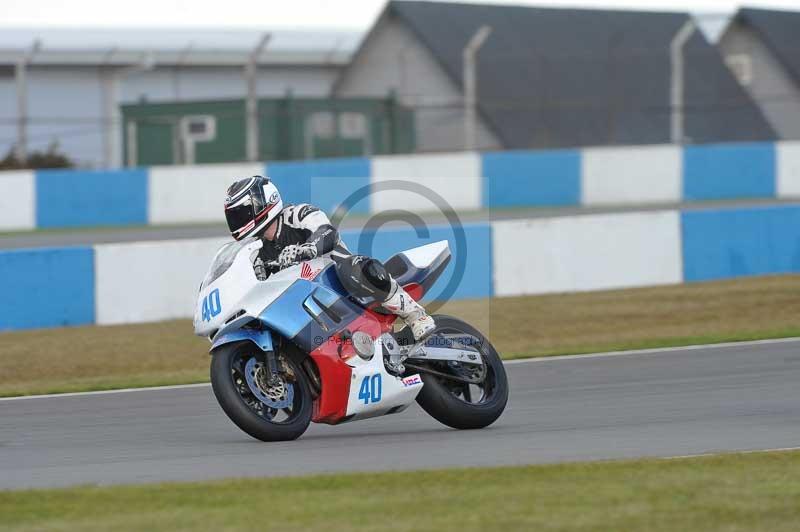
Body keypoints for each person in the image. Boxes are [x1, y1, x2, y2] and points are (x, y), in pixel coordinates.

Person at [223, 175, 436, 341]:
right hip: (308, 303)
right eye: (234, 216)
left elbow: (328, 232)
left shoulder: (298, 214)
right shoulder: (258, 253)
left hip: (341, 284)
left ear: (262, 204)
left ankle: (416, 315)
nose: (237, 221)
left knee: (357, 268)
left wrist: (306, 249)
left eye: (241, 213)